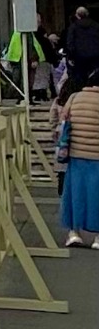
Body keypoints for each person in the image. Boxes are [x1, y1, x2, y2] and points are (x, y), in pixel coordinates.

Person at [58, 77, 99, 245]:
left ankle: (73, 232)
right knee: (96, 196)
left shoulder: (74, 98)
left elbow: (64, 120)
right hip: (97, 156)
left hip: (76, 155)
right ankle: (97, 237)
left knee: (75, 195)